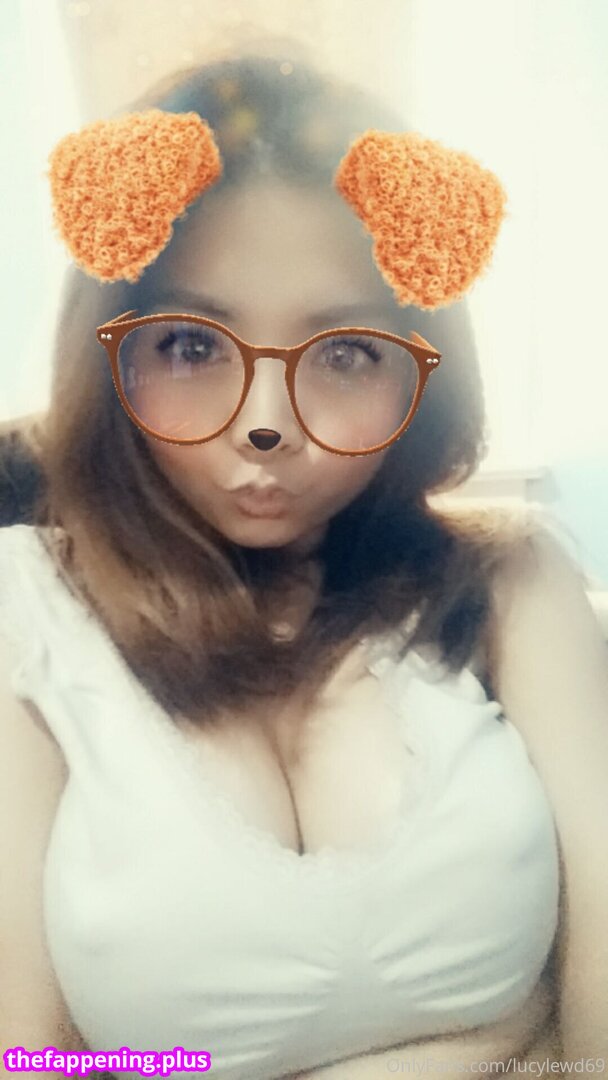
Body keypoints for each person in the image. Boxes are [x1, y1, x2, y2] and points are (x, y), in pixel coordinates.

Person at [1, 52, 607, 1080]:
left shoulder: (509, 582)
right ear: (108, 354)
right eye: (191, 346)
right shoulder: (26, 610)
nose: (267, 425)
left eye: (346, 353)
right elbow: (31, 1060)